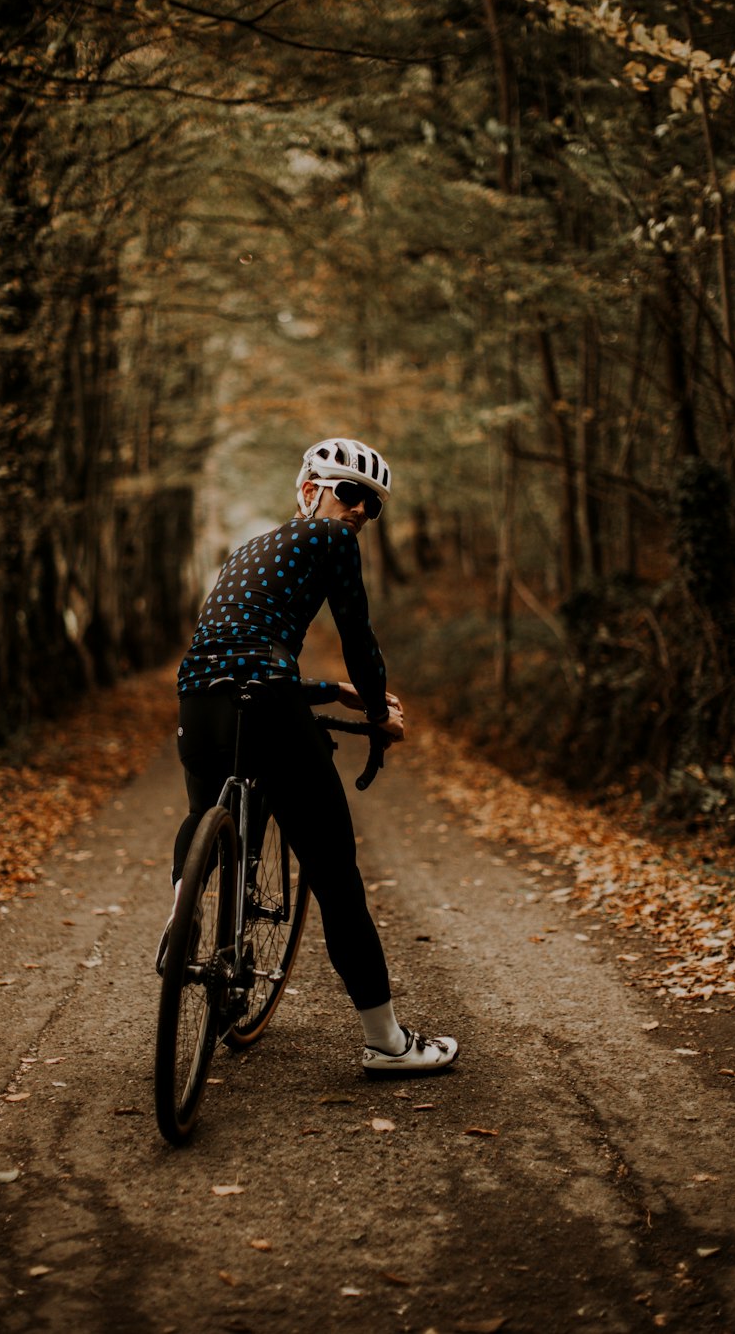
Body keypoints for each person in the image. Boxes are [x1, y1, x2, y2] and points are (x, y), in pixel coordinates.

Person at [157, 437, 458, 1074]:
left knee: (209, 816)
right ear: (310, 490)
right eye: (350, 493)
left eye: (371, 507)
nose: (359, 513)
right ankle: (387, 1043)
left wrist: (333, 694)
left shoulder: (245, 552)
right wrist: (376, 711)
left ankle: (180, 922)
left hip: (197, 695)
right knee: (336, 873)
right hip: (268, 700)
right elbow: (357, 634)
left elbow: (239, 646)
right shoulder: (330, 542)